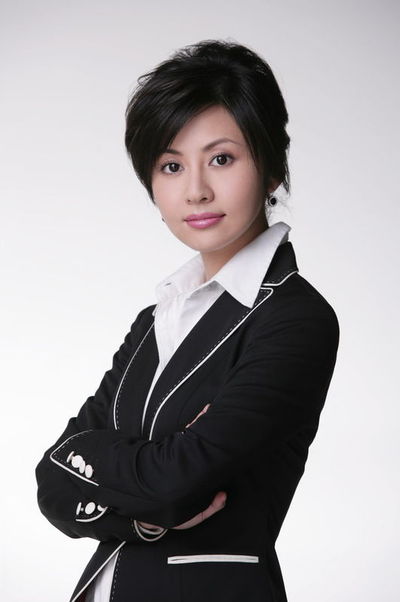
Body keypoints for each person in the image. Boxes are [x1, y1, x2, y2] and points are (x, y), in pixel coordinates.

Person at [35, 39, 340, 602]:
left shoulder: (295, 318)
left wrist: (102, 460)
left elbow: (178, 484)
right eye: (171, 166)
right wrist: (145, 507)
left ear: (272, 167)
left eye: (222, 159)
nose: (196, 190)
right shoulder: (156, 317)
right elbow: (52, 481)